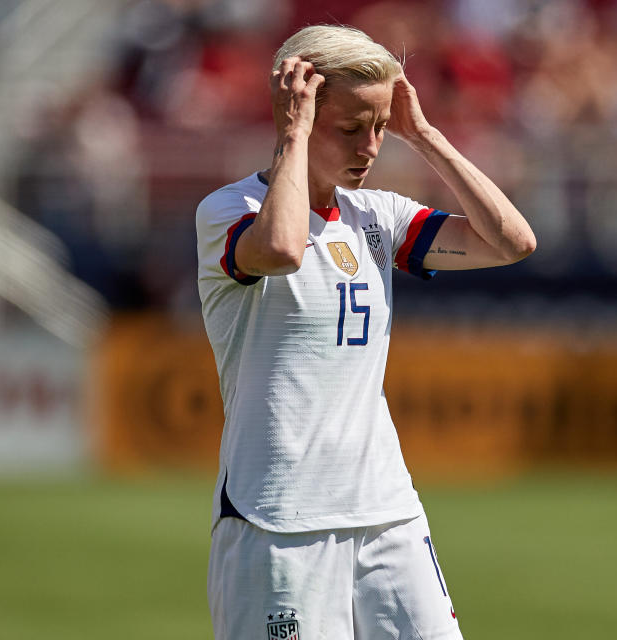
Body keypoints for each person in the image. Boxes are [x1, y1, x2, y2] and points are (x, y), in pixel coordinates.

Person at [196, 25, 535, 640]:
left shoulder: (378, 215)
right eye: (350, 128)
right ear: (295, 111)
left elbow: (511, 242)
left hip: (387, 513)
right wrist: (293, 136)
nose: (371, 146)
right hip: (276, 519)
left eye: (380, 127)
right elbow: (281, 248)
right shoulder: (229, 211)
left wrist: (425, 136)